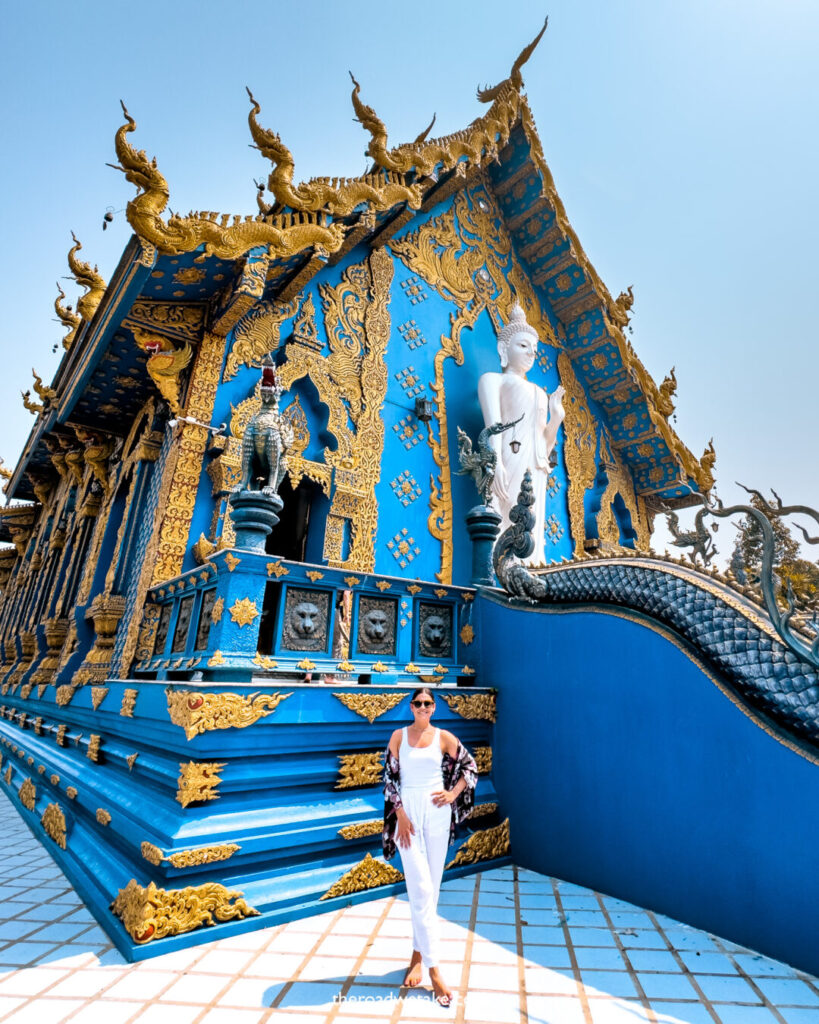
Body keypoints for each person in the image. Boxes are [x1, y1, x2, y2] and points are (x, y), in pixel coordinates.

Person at [382, 687, 478, 1007]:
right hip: (407, 815)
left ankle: (416, 954)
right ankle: (435, 970)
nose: (423, 707)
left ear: (434, 707)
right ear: (411, 707)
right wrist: (400, 815)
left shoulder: (443, 737)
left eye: (428, 703)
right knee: (420, 886)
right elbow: (389, 780)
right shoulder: (398, 736)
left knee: (430, 890)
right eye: (417, 703)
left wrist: (452, 795)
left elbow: (470, 768)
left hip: (437, 814)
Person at [477, 300, 565, 565]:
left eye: (534, 349)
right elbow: (492, 427)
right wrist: (496, 464)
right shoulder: (493, 380)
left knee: (531, 519)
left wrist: (557, 417)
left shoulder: (540, 392)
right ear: (504, 348)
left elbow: (544, 448)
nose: (531, 353)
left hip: (533, 466)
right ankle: (503, 567)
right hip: (508, 456)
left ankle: (530, 565)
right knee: (507, 513)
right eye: (523, 345)